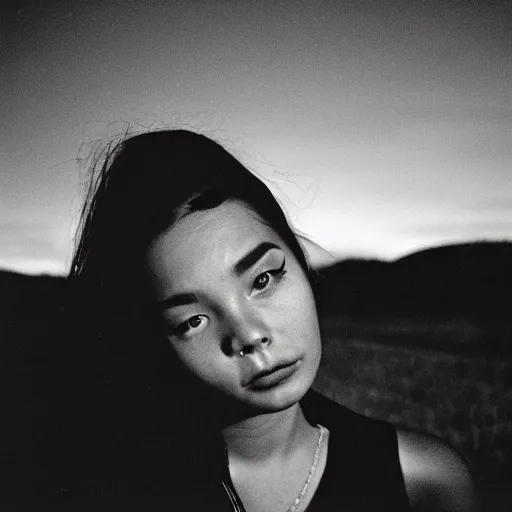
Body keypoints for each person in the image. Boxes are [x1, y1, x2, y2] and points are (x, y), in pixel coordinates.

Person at [67, 129, 477, 511]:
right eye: (191, 321)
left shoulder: (425, 481)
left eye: (262, 279)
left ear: (300, 264)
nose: (249, 335)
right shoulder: (107, 490)